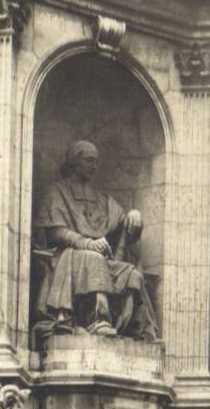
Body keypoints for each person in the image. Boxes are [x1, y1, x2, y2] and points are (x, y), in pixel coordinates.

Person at [34, 140, 157, 339]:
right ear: (74, 162)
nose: (94, 166)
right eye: (89, 160)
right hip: (67, 258)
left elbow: (123, 222)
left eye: (96, 162)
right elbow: (53, 232)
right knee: (94, 259)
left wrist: (135, 217)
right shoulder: (57, 193)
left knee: (132, 273)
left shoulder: (101, 198)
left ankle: (137, 331)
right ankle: (99, 319)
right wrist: (87, 243)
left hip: (100, 258)